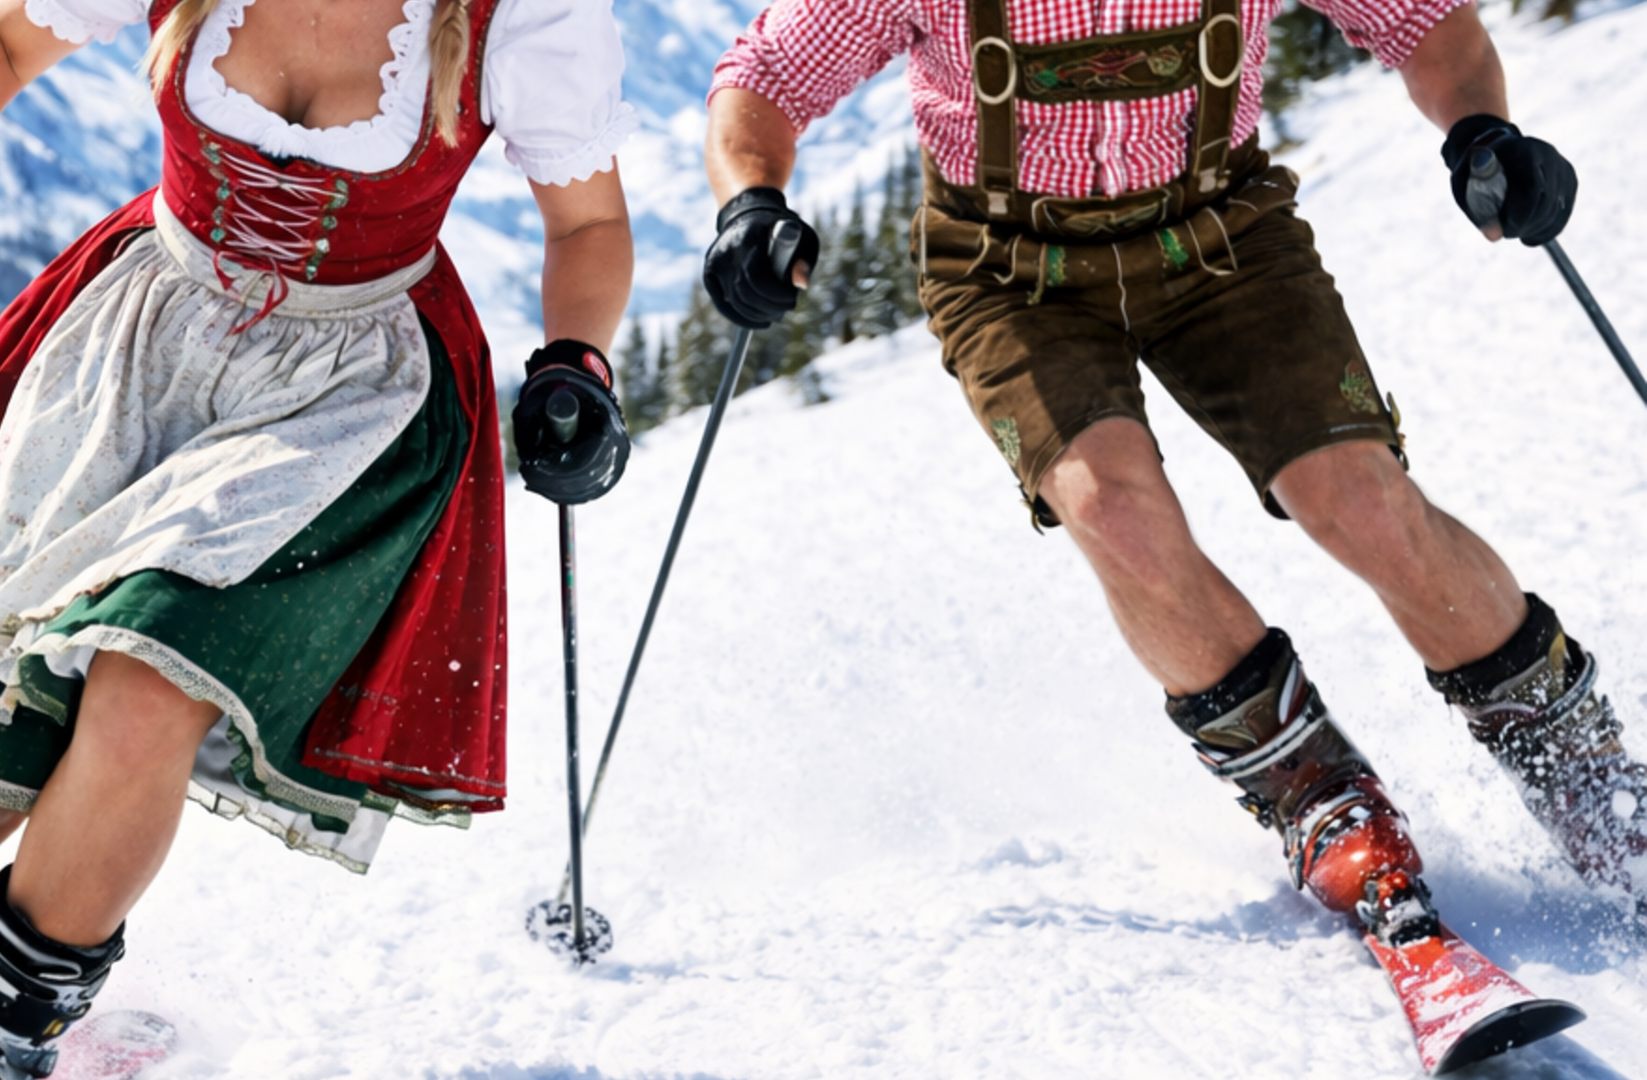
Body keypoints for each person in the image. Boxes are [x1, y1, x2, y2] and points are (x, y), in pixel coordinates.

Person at [0, 0, 635, 1076]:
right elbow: (7, 38)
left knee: (147, 689)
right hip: (133, 352)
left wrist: (578, 360)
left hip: (343, 399)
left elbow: (586, 225)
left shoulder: (522, 16)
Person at [700, 0, 1644, 952]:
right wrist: (750, 200)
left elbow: (1429, 26)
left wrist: (1482, 134)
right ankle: (1319, 800)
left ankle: (1588, 775)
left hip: (1221, 237)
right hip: (1008, 269)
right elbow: (766, 78)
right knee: (1111, 505)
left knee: (1358, 498)